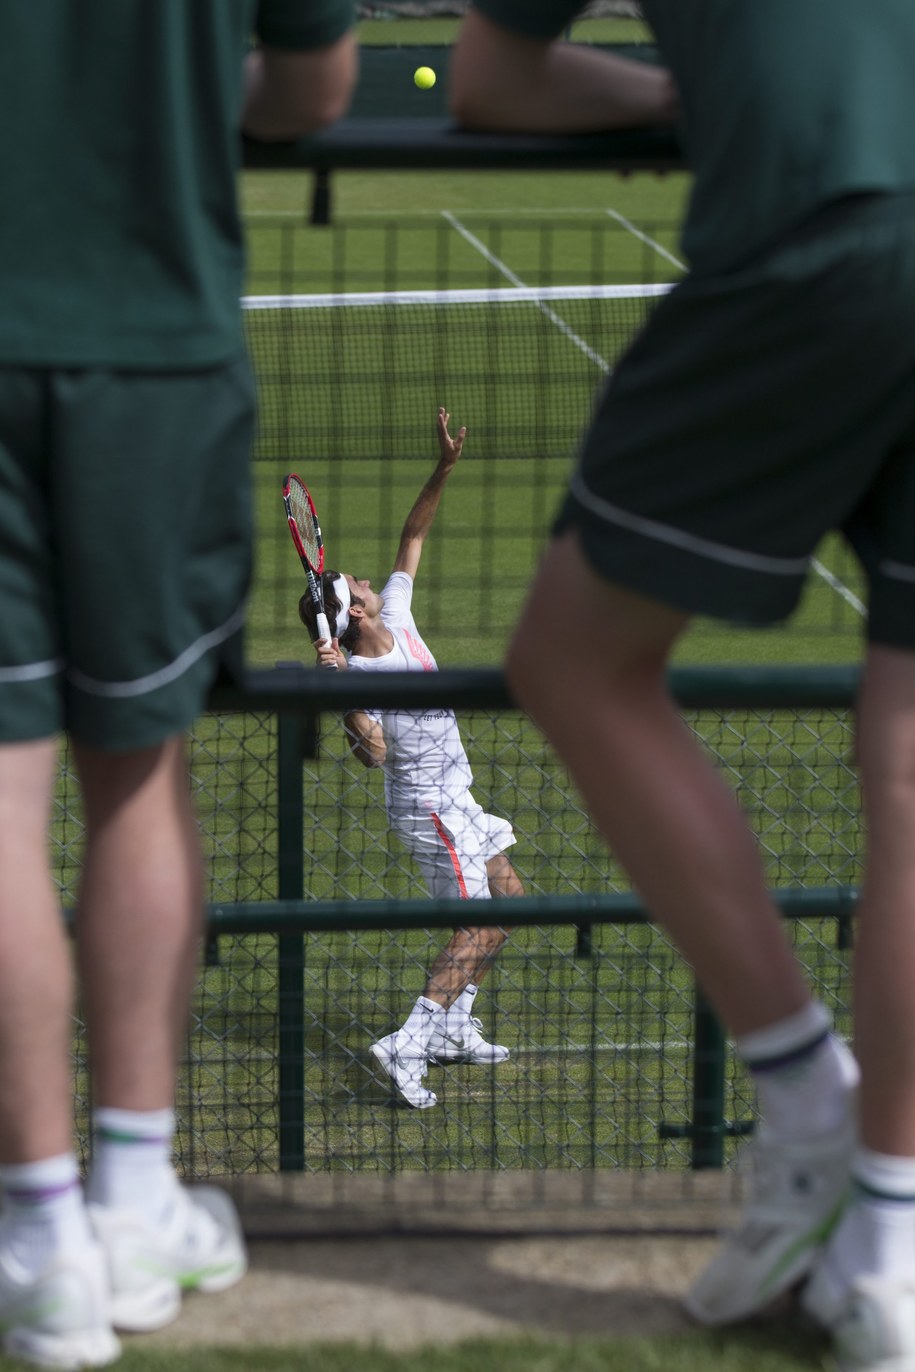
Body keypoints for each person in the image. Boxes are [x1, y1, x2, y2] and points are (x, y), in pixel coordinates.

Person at [452, 4, 915, 1370]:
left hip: (819, 226)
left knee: (570, 659)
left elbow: (491, 84)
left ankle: (800, 1100)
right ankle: (887, 1252)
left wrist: (669, 94)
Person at [0, 5, 357, 1367]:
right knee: (138, 776)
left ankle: (40, 1240)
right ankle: (134, 1202)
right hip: (152, 341)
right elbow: (311, 89)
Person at [302, 408, 524, 1110]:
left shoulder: (395, 617)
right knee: (480, 923)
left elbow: (412, 534)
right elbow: (372, 755)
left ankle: (454, 1028)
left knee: (510, 902)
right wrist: (339, 694)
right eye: (359, 586)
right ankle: (407, 1042)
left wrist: (446, 467)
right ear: (355, 613)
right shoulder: (357, 679)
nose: (371, 580)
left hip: (459, 794)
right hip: (428, 807)